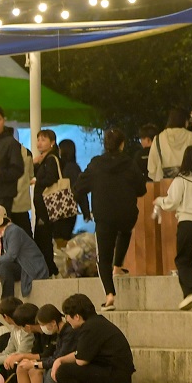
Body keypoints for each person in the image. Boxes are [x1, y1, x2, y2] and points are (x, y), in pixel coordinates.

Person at [76, 128, 148, 309]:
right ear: (122, 144)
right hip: (127, 214)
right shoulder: (130, 163)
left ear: (105, 145)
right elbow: (142, 190)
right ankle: (118, 266)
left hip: (104, 216)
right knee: (125, 231)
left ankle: (109, 295)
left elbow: (78, 188)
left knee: (103, 258)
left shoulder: (96, 165)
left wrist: (86, 211)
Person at [50, 293, 135, 383]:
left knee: (65, 372)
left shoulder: (91, 328)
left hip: (116, 375)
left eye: (67, 316)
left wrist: (61, 364)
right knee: (64, 367)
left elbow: (81, 361)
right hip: (113, 371)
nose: (66, 320)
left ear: (76, 316)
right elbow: (79, 353)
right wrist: (59, 360)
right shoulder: (94, 323)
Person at [154, 144, 192, 312]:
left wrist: (159, 201)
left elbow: (171, 202)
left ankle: (189, 293)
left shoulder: (181, 179)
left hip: (187, 222)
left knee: (184, 259)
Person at [0, 204, 51, 299]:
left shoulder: (14, 231)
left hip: (29, 268)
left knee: (5, 266)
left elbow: (10, 256)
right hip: (18, 265)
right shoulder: (1, 235)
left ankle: (7, 300)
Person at [22, 303, 74, 383]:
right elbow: (55, 356)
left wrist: (35, 364)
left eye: (43, 325)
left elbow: (58, 358)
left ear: (53, 323)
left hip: (72, 364)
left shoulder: (68, 333)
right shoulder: (61, 333)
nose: (42, 328)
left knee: (52, 370)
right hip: (62, 361)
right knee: (48, 368)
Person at [31, 129, 70, 277]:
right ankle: (49, 269)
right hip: (44, 206)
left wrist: (36, 180)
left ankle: (50, 270)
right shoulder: (44, 159)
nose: (39, 142)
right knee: (42, 238)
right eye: (38, 139)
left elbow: (51, 178)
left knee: (43, 238)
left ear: (52, 143)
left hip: (46, 206)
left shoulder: (51, 159)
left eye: (43, 140)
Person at [147, 108, 192, 181]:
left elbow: (152, 166)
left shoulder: (159, 138)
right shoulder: (191, 136)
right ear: (185, 121)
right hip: (188, 182)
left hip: (164, 184)